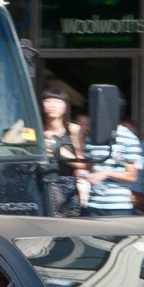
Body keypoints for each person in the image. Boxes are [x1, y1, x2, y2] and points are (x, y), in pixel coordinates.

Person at [82, 93, 143, 217]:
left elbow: (132, 176)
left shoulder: (129, 138)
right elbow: (87, 167)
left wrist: (106, 173)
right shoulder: (91, 137)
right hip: (93, 204)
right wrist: (84, 175)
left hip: (118, 206)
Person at [40, 87, 84, 217]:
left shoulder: (73, 130)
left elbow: (82, 164)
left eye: (58, 102)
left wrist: (58, 149)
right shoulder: (35, 131)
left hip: (67, 186)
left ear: (66, 106)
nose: (52, 105)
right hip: (43, 184)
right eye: (48, 101)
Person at [122, 117, 144, 214]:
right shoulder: (116, 145)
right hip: (121, 190)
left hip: (138, 192)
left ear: (134, 129)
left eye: (130, 127)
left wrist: (139, 191)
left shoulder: (143, 146)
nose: (128, 130)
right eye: (125, 127)